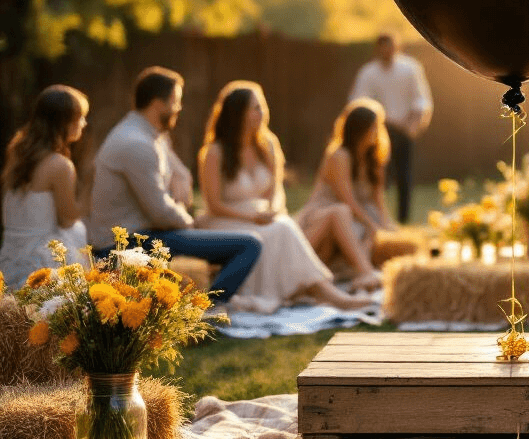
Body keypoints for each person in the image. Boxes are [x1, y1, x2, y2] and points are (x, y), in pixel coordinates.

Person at [88, 66, 261, 303]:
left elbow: (177, 174)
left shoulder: (144, 133)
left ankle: (204, 307)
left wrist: (182, 179)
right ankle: (206, 311)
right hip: (127, 243)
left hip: (147, 233)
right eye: (176, 101)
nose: (179, 108)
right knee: (249, 244)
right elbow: (160, 212)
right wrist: (192, 222)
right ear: (159, 104)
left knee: (234, 241)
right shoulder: (137, 143)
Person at [196, 81, 373, 314]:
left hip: (262, 217)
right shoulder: (215, 152)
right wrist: (253, 217)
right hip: (225, 220)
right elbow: (213, 205)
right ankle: (328, 294)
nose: (261, 113)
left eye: (261, 107)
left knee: (282, 225)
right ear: (236, 113)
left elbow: (274, 193)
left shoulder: (267, 145)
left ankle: (320, 290)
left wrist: (270, 211)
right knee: (280, 230)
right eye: (254, 108)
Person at [295, 99, 396, 287]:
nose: (377, 132)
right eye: (372, 127)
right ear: (358, 130)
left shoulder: (373, 159)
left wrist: (387, 225)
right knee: (356, 219)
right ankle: (365, 272)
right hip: (325, 212)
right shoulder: (339, 155)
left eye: (378, 127)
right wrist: (372, 224)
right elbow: (347, 200)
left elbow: (378, 200)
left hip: (353, 214)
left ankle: (360, 274)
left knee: (374, 227)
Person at [0, 85, 90, 289]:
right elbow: (67, 219)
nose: (84, 124)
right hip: (40, 260)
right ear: (64, 122)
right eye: (80, 117)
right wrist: (89, 189)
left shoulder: (17, 153)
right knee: (77, 229)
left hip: (12, 255)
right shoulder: (60, 165)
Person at [348, 34, 432, 224]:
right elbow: (357, 100)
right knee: (377, 174)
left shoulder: (411, 68)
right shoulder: (368, 73)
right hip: (377, 131)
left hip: (404, 129)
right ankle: (378, 216)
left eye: (390, 47)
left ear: (397, 47)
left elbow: (421, 99)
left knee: (404, 174)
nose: (387, 51)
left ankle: (403, 219)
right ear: (378, 49)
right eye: (383, 48)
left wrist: (414, 125)